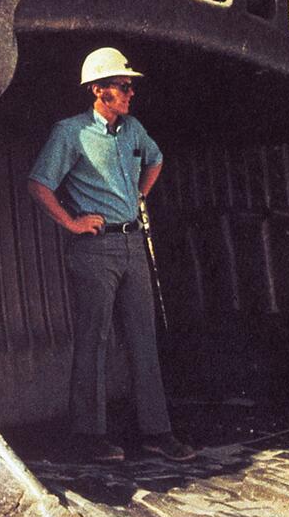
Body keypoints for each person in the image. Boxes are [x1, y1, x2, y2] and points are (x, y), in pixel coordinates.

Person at [27, 47, 195, 463]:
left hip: (133, 244)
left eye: (130, 86)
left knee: (144, 337)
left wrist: (138, 194)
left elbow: (155, 160)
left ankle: (157, 433)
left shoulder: (133, 130)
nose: (130, 92)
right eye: (123, 86)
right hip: (94, 249)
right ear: (99, 90)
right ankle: (89, 437)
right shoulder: (70, 133)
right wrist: (71, 223)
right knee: (94, 340)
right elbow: (39, 183)